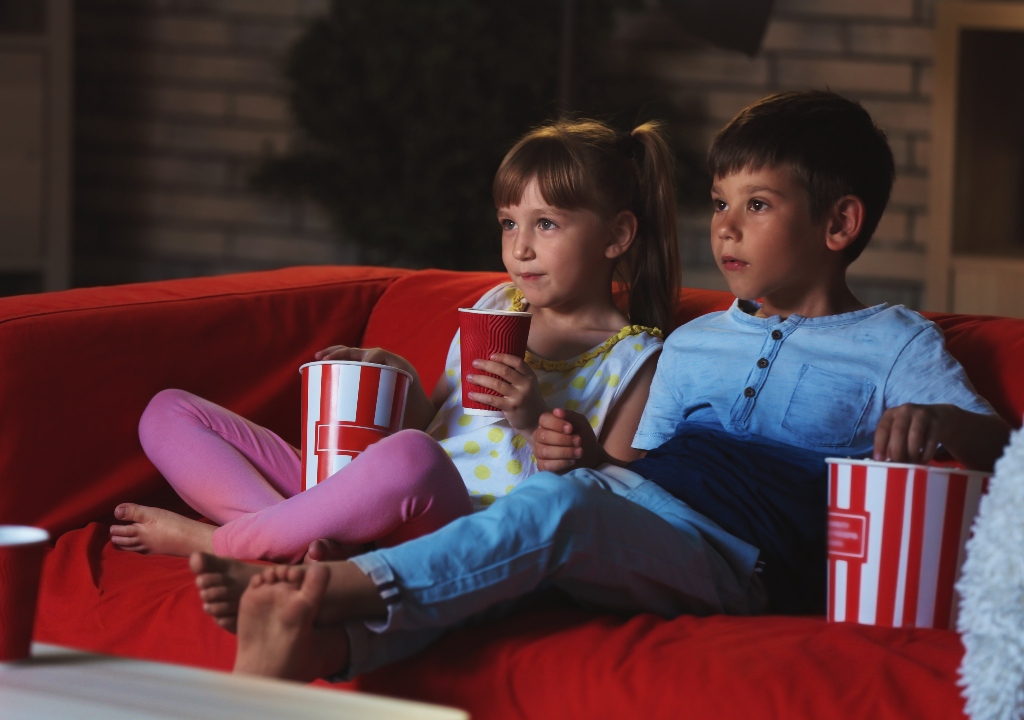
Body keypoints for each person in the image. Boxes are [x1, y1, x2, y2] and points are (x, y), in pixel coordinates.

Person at [191, 90, 1012, 682]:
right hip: (632, 509)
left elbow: (999, 441)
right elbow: (632, 461)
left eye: (757, 205)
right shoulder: (694, 342)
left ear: (840, 225)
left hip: (741, 557)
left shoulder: (893, 342)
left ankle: (316, 587)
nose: (725, 225)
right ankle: (323, 646)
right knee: (531, 538)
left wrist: (937, 419)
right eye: (721, 203)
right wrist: (576, 446)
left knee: (555, 514)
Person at [108, 118, 679, 566]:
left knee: (410, 458)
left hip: (465, 526)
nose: (520, 248)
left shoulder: (635, 360)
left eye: (547, 224)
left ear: (618, 234)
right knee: (168, 413)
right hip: (378, 499)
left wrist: (533, 422)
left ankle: (223, 545)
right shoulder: (494, 306)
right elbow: (438, 423)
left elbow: (618, 501)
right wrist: (393, 375)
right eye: (509, 223)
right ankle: (309, 550)